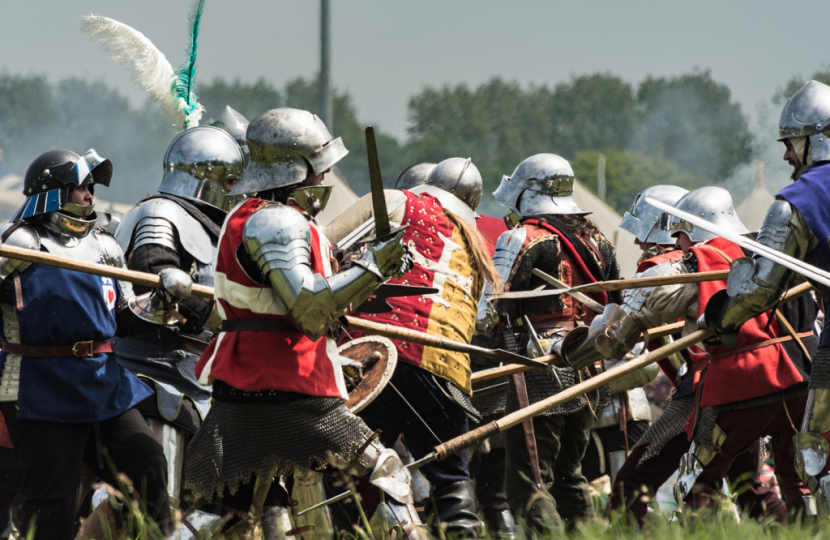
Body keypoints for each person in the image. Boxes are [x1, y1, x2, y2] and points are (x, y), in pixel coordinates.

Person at [183, 108, 427, 539]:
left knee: (236, 510)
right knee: (389, 473)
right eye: (322, 167)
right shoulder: (276, 220)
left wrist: (371, 272)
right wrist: (372, 266)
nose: (327, 177)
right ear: (297, 168)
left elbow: (308, 301)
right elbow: (310, 310)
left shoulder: (254, 216)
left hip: (249, 379)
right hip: (282, 378)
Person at [564, 186, 816, 523]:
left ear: (691, 229)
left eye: (680, 234)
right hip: (803, 382)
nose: (678, 244)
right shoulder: (775, 248)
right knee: (792, 479)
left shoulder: (699, 260)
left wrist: (573, 352)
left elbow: (619, 333)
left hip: (742, 388)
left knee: (690, 483)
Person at [0, 149, 183, 540]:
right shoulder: (20, 242)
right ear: (53, 191)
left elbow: (128, 314)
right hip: (40, 387)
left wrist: (162, 300)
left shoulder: (105, 247)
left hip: (104, 383)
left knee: (149, 465)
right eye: (81, 187)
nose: (90, 195)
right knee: (53, 505)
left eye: (90, 188)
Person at [331, 157, 497, 539]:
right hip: (447, 369)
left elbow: (316, 247)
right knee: (452, 476)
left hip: (379, 358)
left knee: (350, 467)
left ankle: (345, 533)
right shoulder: (477, 246)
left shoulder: (398, 201)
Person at [703, 79, 830, 509]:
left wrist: (722, 317)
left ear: (815, 139)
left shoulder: (799, 201)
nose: (787, 154)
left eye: (792, 142)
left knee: (821, 455)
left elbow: (759, 290)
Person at [480, 153, 621, 533]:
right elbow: (616, 306)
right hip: (590, 362)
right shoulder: (599, 240)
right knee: (569, 474)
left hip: (539, 364)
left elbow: (488, 312)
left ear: (528, 191)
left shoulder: (521, 237)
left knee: (528, 481)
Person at [113, 125, 245, 504]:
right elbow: (153, 277)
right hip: (152, 370)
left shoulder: (221, 227)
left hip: (203, 375)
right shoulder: (161, 210)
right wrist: (221, 318)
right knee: (159, 499)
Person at [581, 186, 689, 486]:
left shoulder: (657, 271)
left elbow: (616, 342)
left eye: (645, 231)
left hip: (699, 389)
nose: (638, 241)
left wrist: (573, 353)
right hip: (713, 383)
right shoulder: (713, 260)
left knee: (631, 485)